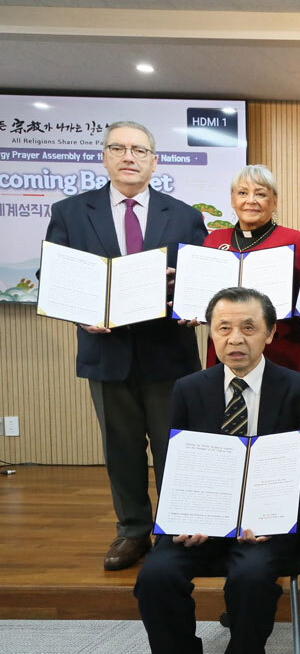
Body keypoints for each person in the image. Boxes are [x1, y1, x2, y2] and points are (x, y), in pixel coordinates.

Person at [134, 287, 300, 654]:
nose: (235, 338)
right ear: (211, 334)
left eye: (248, 327)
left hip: (267, 526)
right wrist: (186, 516)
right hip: (202, 522)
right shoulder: (189, 389)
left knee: (253, 577)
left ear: (270, 333)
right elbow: (177, 465)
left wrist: (268, 513)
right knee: (156, 575)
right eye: (223, 328)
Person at [42, 120, 207, 570]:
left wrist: (187, 297)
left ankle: (177, 528)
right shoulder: (72, 212)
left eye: (139, 150)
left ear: (154, 160)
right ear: (105, 156)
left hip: (168, 353)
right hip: (106, 354)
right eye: (118, 148)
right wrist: (82, 310)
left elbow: (202, 279)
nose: (128, 157)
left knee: (174, 445)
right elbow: (52, 276)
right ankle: (133, 531)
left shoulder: (185, 215)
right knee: (122, 449)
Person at [203, 165, 300, 372]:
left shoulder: (293, 240)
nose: (250, 200)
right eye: (243, 193)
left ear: (274, 201)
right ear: (233, 199)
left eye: (260, 194)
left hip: (279, 349)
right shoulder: (214, 240)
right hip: (226, 350)